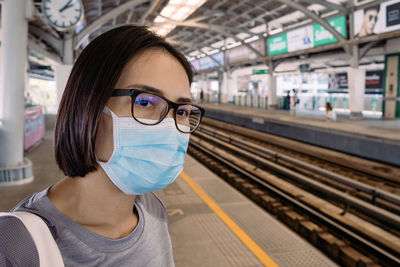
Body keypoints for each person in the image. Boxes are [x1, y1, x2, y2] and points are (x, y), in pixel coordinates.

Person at [0, 25, 204, 266]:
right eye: (146, 102)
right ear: (89, 107)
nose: (170, 125)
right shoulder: (14, 248)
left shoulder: (153, 209)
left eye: (181, 111)